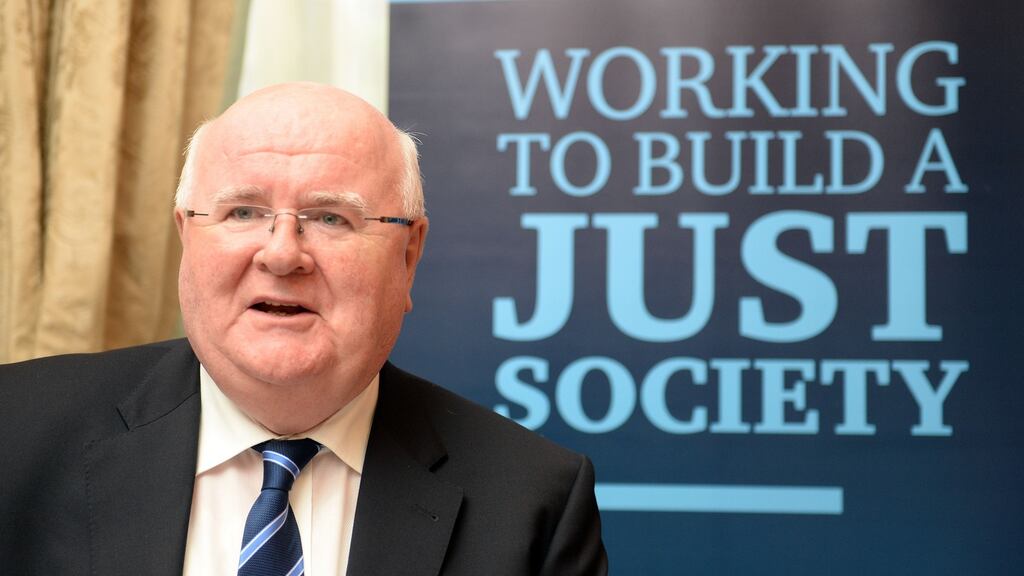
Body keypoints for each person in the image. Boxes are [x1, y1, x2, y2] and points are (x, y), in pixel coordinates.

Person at [0, 83, 607, 575]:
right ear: (186, 236)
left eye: (331, 218)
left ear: (408, 255)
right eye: (243, 212)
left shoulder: (532, 502)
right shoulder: (15, 433)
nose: (282, 254)